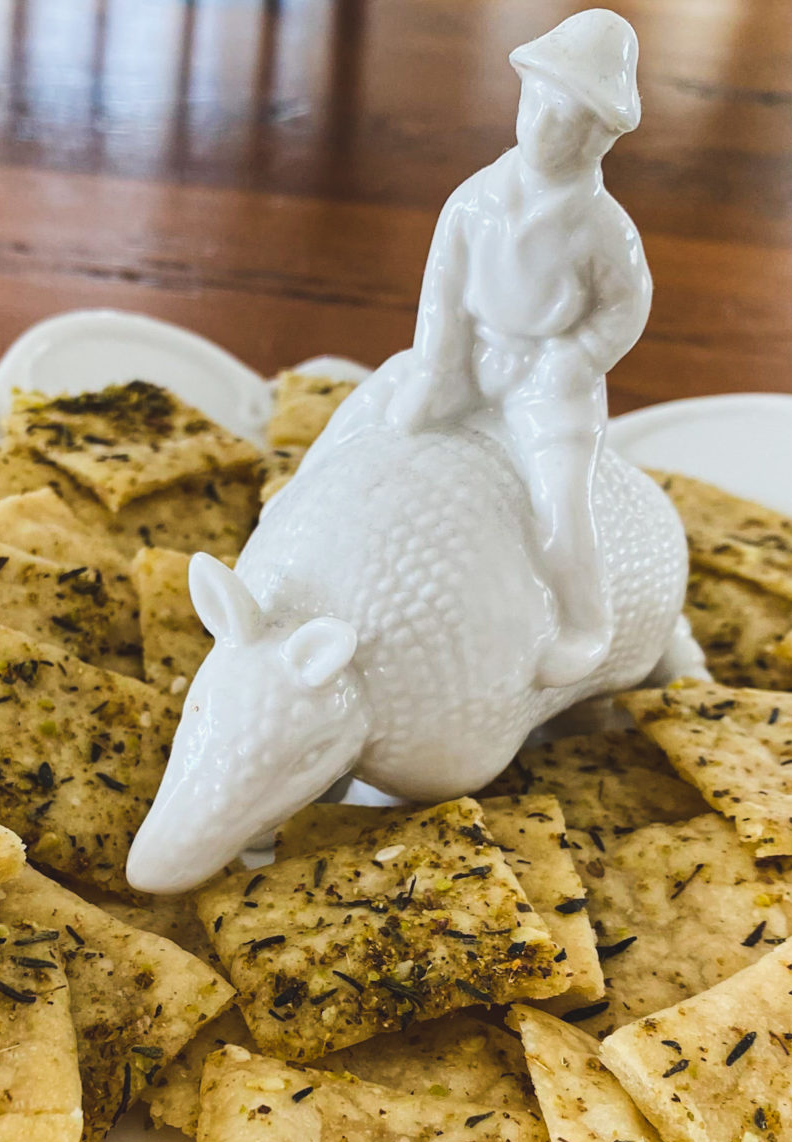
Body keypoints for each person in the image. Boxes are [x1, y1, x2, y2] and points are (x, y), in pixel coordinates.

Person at [322, 10, 650, 689]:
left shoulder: (604, 229)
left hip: (549, 378)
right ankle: (296, 502)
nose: (542, 126)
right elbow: (441, 293)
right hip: (472, 358)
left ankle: (585, 624)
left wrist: (578, 357)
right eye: (536, 104)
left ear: (599, 135)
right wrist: (437, 369)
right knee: (371, 406)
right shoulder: (476, 199)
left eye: (566, 116)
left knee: (559, 498)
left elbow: (626, 307)